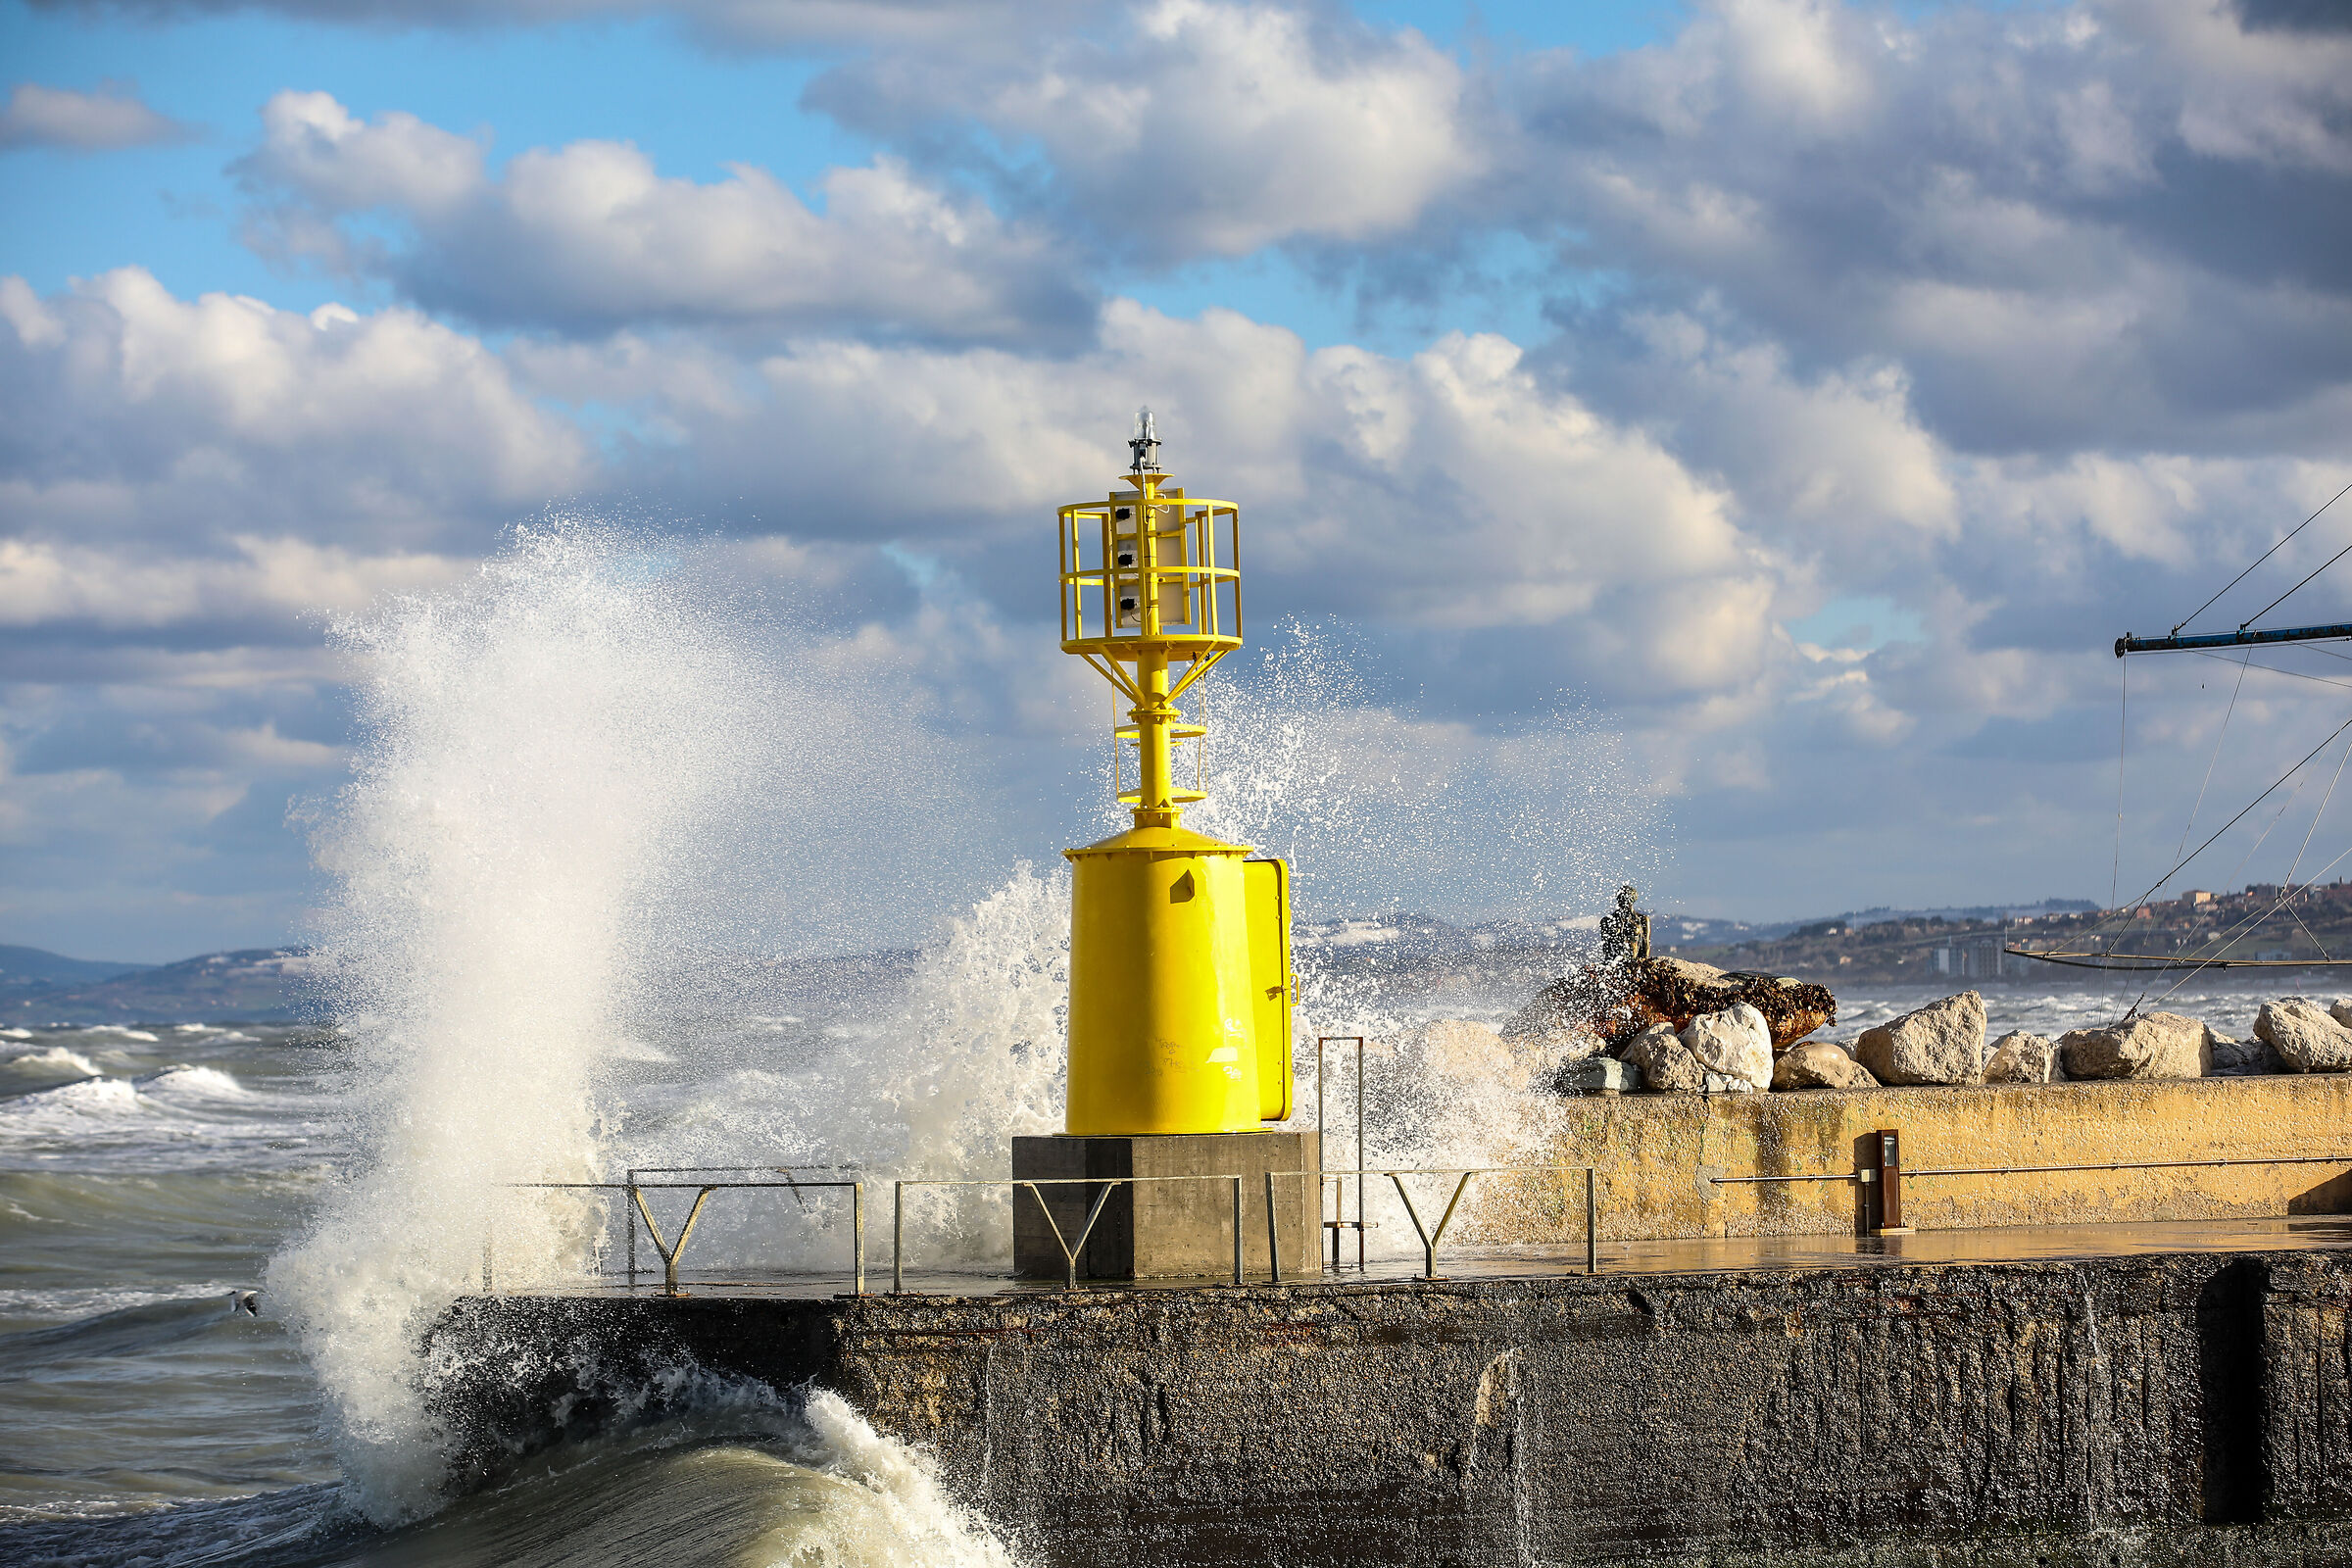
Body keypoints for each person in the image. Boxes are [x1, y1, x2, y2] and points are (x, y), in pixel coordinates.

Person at [1599, 883, 1649, 964]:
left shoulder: (1642, 920)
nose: (1623, 901)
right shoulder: (1607, 921)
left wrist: (1644, 963)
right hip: (1616, 962)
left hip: (1634, 961)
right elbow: (1606, 947)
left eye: (1626, 898)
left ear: (1632, 899)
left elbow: (1645, 944)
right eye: (1621, 898)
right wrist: (1608, 964)